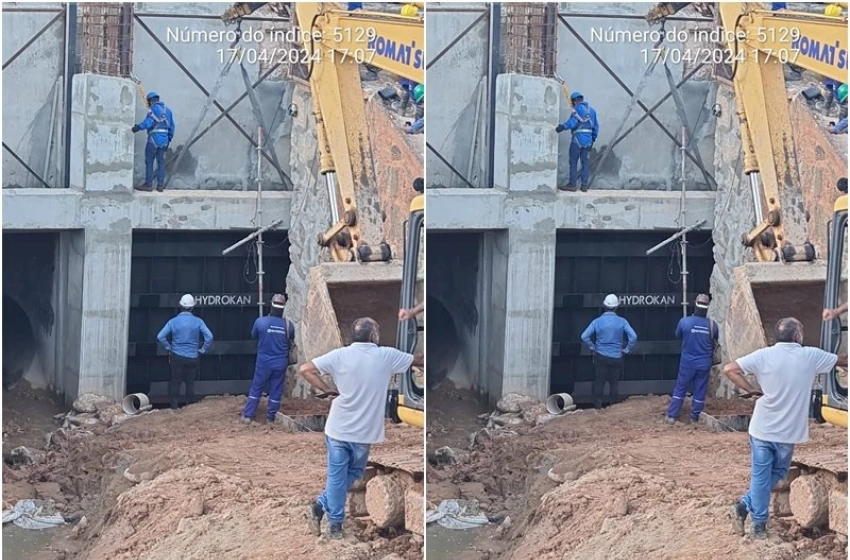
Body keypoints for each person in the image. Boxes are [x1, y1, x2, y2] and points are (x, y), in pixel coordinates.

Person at [300, 317, 424, 539]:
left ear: (352, 335)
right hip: (363, 433)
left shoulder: (339, 355)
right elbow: (419, 360)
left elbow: (306, 369)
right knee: (352, 473)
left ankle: (322, 509)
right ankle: (333, 524)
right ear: (373, 336)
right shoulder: (386, 355)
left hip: (337, 429)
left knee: (339, 477)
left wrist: (328, 390)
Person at [723, 317, 847, 539]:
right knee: (775, 473)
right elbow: (842, 360)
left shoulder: (763, 355)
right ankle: (758, 526)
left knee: (765, 477)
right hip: (787, 433)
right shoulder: (810, 355)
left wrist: (752, 390)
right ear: (797, 336)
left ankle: (744, 506)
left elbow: (730, 369)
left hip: (761, 429)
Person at [241, 293, 296, 424]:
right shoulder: (289, 325)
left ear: (270, 305)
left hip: (264, 362)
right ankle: (271, 417)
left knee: (257, 387)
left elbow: (254, 335)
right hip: (280, 363)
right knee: (276, 389)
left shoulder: (260, 322)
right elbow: (291, 340)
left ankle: (248, 415)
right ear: (283, 307)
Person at [665, 294, 718, 424]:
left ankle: (672, 416)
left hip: (688, 362)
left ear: (695, 304)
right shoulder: (713, 325)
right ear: (707, 307)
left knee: (680, 388)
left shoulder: (684, 322)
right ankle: (695, 417)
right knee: (700, 389)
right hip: (704, 363)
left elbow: (678, 335)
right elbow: (715, 341)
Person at [156, 294, 214, 409]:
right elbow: (210, 337)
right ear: (192, 307)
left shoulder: (173, 322)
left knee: (176, 382)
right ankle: (190, 408)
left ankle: (174, 407)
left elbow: (160, 336)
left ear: (180, 306)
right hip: (193, 356)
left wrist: (169, 347)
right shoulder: (198, 322)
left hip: (177, 356)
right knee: (190, 383)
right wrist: (202, 350)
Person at [581, 294, 637, 409]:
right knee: (614, 383)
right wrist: (626, 349)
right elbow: (633, 337)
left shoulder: (597, 322)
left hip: (601, 356)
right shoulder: (622, 322)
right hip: (617, 356)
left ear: (604, 306)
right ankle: (613, 407)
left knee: (599, 382)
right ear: (616, 307)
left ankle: (598, 407)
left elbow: (584, 336)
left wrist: (592, 347)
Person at [555, 91, 599, 192]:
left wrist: (562, 127)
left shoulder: (577, 109)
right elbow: (596, 127)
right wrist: (593, 139)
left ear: (574, 101)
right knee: (584, 163)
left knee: (573, 162)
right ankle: (584, 186)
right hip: (588, 141)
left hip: (577, 140)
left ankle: (572, 184)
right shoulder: (592, 111)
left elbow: (573, 122)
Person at [132, 91, 175, 192]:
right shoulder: (168, 111)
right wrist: (168, 139)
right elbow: (172, 127)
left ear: (150, 101)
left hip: (153, 140)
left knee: (149, 162)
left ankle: (148, 184)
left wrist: (138, 127)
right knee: (161, 163)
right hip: (164, 141)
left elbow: (149, 122)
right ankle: (160, 186)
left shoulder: (153, 110)